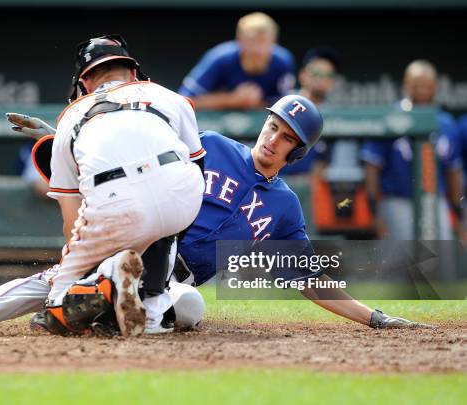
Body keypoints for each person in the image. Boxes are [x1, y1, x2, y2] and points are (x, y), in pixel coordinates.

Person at [0, 35, 205, 339]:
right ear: (133, 71)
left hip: (126, 223)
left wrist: (74, 268)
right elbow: (195, 168)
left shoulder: (73, 114)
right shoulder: (167, 96)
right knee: (183, 298)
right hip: (182, 202)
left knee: (56, 299)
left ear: (84, 81)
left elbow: (72, 225)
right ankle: (134, 307)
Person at [175, 94, 431, 329]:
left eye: (287, 138)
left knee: (189, 308)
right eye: (273, 127)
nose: (273, 140)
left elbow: (310, 278)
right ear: (265, 123)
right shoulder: (210, 145)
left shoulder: (284, 206)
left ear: (297, 153)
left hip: (181, 282)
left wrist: (375, 318)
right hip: (152, 251)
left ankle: (144, 303)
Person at [361, 60, 463, 240]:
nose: (422, 90)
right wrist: (375, 214)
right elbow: (371, 169)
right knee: (403, 265)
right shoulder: (390, 118)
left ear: (436, 87)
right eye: (417, 85)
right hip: (398, 202)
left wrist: (460, 215)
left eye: (427, 85)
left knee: (440, 263)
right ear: (406, 85)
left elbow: (453, 172)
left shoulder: (446, 123)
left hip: (435, 202)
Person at [178, 12, 294, 109]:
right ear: (239, 40)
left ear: (273, 41)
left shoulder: (283, 61)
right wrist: (232, 99)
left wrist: (258, 103)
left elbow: (285, 105)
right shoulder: (220, 58)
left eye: (263, 41)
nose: (257, 48)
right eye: (252, 41)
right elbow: (184, 100)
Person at [280, 46, 339, 176]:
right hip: (272, 177)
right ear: (302, 75)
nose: (321, 79)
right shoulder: (283, 103)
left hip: (306, 182)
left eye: (327, 75)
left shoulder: (331, 116)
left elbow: (323, 162)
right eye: (316, 73)